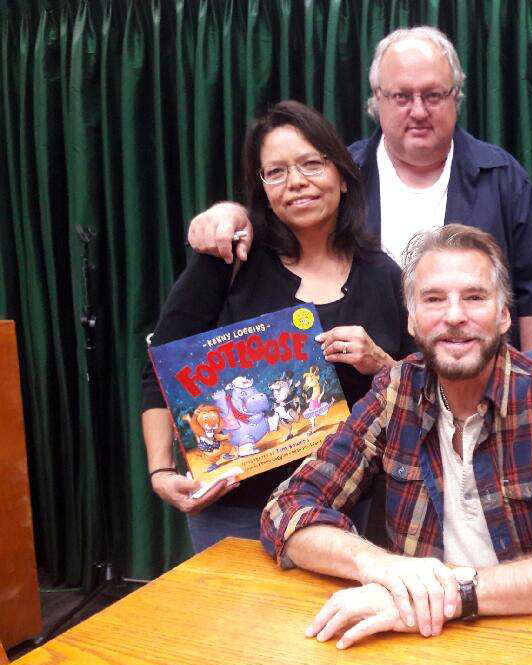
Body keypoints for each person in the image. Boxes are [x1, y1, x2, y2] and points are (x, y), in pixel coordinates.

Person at [260, 224, 532, 650]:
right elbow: (287, 507)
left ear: (504, 315)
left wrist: (454, 595)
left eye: (475, 297)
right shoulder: (396, 390)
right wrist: (379, 565)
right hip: (418, 640)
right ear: (412, 319)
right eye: (434, 299)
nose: (455, 315)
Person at [186, 26, 532, 358]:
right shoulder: (339, 177)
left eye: (433, 95)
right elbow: (278, 218)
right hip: (370, 397)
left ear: (456, 96)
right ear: (376, 99)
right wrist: (232, 214)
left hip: (480, 388)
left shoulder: (502, 178)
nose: (419, 110)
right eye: (401, 96)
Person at [142, 100, 416, 553]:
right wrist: (160, 471)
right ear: (262, 188)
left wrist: (381, 363)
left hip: (341, 509)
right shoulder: (230, 260)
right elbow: (160, 367)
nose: (297, 182)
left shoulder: (383, 275)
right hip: (232, 510)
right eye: (277, 172)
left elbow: (420, 392)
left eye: (312, 164)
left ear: (342, 175)